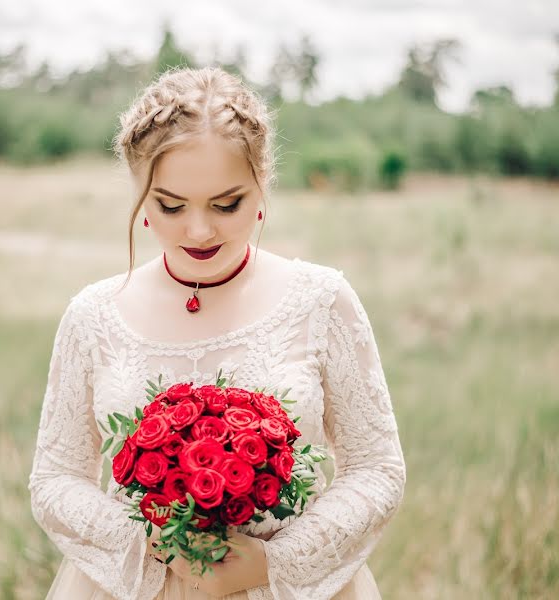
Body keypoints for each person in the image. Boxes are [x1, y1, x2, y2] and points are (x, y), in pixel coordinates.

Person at [28, 66, 406, 600]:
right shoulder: (93, 315)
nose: (200, 230)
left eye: (226, 204)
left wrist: (272, 563)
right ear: (139, 194)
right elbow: (55, 479)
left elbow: (376, 470)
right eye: (170, 205)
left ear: (261, 187)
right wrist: (154, 545)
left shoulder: (322, 301)